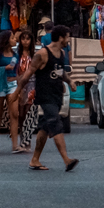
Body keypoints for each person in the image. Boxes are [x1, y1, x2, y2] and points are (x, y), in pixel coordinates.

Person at [17, 24, 78, 172]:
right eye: (67, 37)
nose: (68, 40)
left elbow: (60, 71)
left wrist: (69, 81)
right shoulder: (43, 53)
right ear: (61, 37)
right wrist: (17, 92)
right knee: (56, 124)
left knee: (44, 127)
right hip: (45, 96)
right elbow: (28, 73)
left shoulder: (62, 53)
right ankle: (66, 160)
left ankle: (35, 159)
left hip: (56, 94)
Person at [0, 30, 22, 153]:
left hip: (12, 84)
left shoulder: (15, 55)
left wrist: (19, 83)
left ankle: (14, 145)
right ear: (7, 40)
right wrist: (4, 68)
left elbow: (18, 71)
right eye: (13, 38)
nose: (15, 40)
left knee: (14, 113)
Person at [12, 28, 38, 151]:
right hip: (20, 85)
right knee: (20, 114)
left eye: (28, 39)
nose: (25, 41)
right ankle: (22, 139)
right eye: (23, 39)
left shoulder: (35, 55)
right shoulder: (17, 56)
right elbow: (14, 70)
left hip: (32, 86)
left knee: (29, 113)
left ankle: (27, 142)